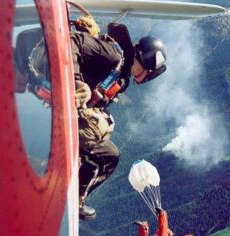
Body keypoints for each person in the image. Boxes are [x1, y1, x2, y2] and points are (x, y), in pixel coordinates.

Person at [72, 18, 168, 221]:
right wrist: (75, 81)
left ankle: (72, 196)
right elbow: (74, 41)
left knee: (108, 154)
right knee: (108, 156)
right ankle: (72, 198)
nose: (146, 79)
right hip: (59, 105)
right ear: (146, 64)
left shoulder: (121, 77)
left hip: (71, 114)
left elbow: (96, 101)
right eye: (149, 74)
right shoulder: (113, 55)